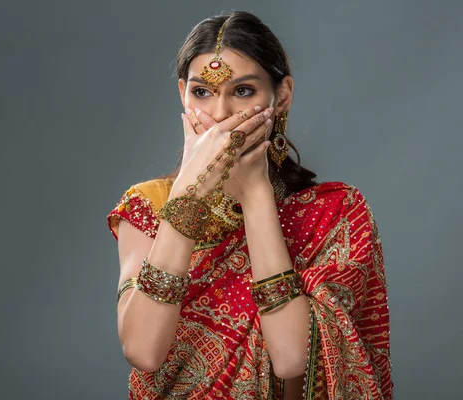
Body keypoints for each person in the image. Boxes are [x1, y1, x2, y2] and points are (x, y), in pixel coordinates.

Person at [107, 11, 392, 400]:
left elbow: (292, 360)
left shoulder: (336, 213)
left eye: (243, 91)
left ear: (283, 94)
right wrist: (189, 197)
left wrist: (256, 194)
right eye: (202, 92)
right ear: (182, 94)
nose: (221, 114)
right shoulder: (147, 207)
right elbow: (142, 350)